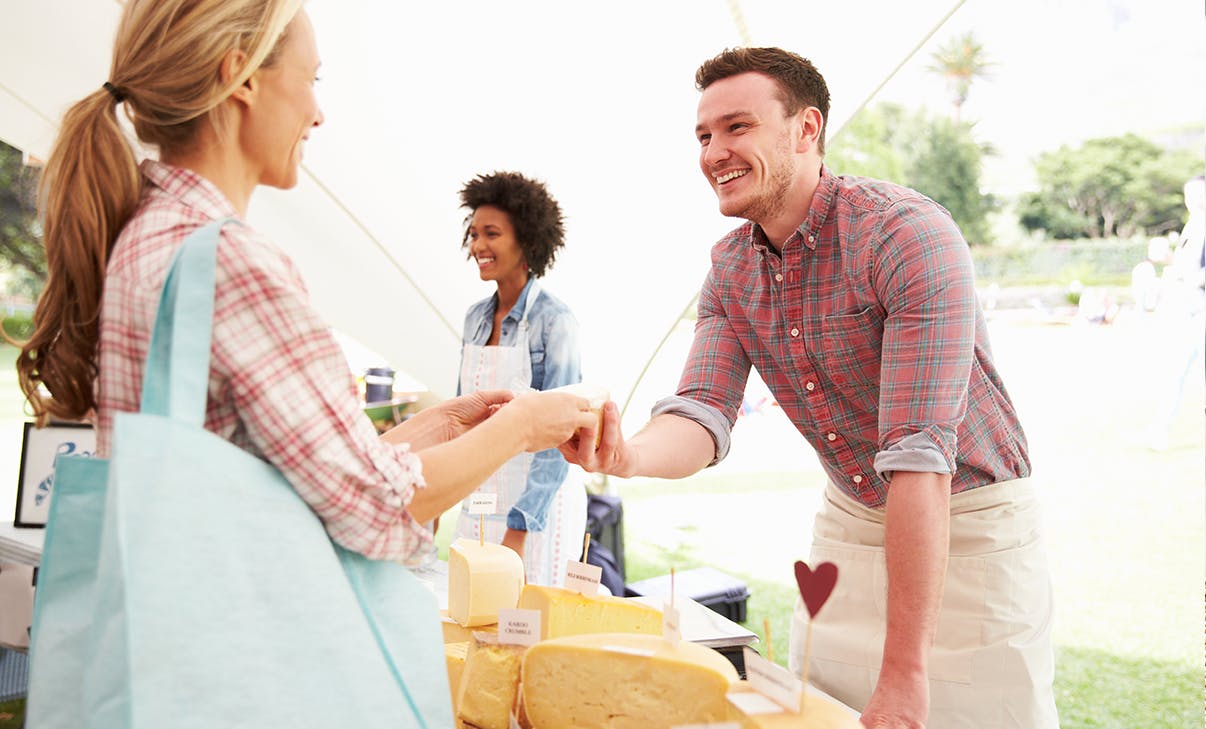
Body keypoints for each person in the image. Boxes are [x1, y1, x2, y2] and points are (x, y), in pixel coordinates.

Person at [565, 47, 1058, 728]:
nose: (714, 152)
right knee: (824, 710)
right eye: (704, 135)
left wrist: (905, 674)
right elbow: (702, 412)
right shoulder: (730, 270)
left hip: (968, 522)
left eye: (737, 127)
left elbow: (919, 455)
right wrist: (627, 455)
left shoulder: (906, 235)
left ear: (806, 129)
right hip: (851, 520)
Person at [15, 0, 597, 568]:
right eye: (310, 79)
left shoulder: (148, 233)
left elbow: (301, 471)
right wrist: (521, 428)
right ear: (239, 77)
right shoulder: (232, 264)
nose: (318, 113)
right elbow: (377, 507)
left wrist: (442, 423)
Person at [454, 171, 585, 587]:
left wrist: (521, 526)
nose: (478, 246)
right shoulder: (475, 318)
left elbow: (561, 433)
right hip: (479, 501)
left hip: (535, 511)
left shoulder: (554, 321)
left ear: (526, 239)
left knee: (526, 629)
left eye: (491, 233)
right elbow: (459, 418)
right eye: (473, 234)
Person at [1141, 174, 1206, 451]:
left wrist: (1193, 279)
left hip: (1200, 308)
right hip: (1187, 309)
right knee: (1175, 372)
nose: (1192, 199)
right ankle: (1159, 431)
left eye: (1198, 193)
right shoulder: (1192, 226)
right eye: (1188, 194)